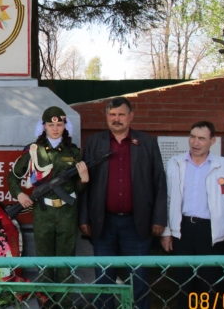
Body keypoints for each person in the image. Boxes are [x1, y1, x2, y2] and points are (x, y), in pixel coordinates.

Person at [78, 97, 167, 309]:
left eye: (121, 115)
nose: (116, 119)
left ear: (131, 117)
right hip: (103, 224)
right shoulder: (94, 142)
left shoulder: (147, 142)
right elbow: (84, 184)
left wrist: (159, 218)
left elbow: (159, 183)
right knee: (103, 279)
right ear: (106, 117)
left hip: (137, 224)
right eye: (112, 115)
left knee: (138, 279)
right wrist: (84, 218)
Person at [161, 121, 224, 309]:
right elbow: (166, 199)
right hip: (183, 230)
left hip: (211, 230)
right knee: (184, 282)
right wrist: (167, 231)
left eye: (201, 138)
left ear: (212, 141)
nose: (195, 142)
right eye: (192, 137)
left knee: (211, 282)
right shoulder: (175, 164)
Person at [7, 106, 89, 289]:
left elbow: (76, 188)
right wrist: (19, 194)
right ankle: (45, 301)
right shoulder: (34, 152)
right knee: (44, 263)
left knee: (65, 264)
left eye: (59, 124)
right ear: (43, 126)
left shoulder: (73, 152)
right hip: (43, 213)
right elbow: (13, 176)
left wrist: (83, 181)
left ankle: (64, 303)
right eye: (51, 125)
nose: (55, 128)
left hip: (67, 213)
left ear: (64, 126)